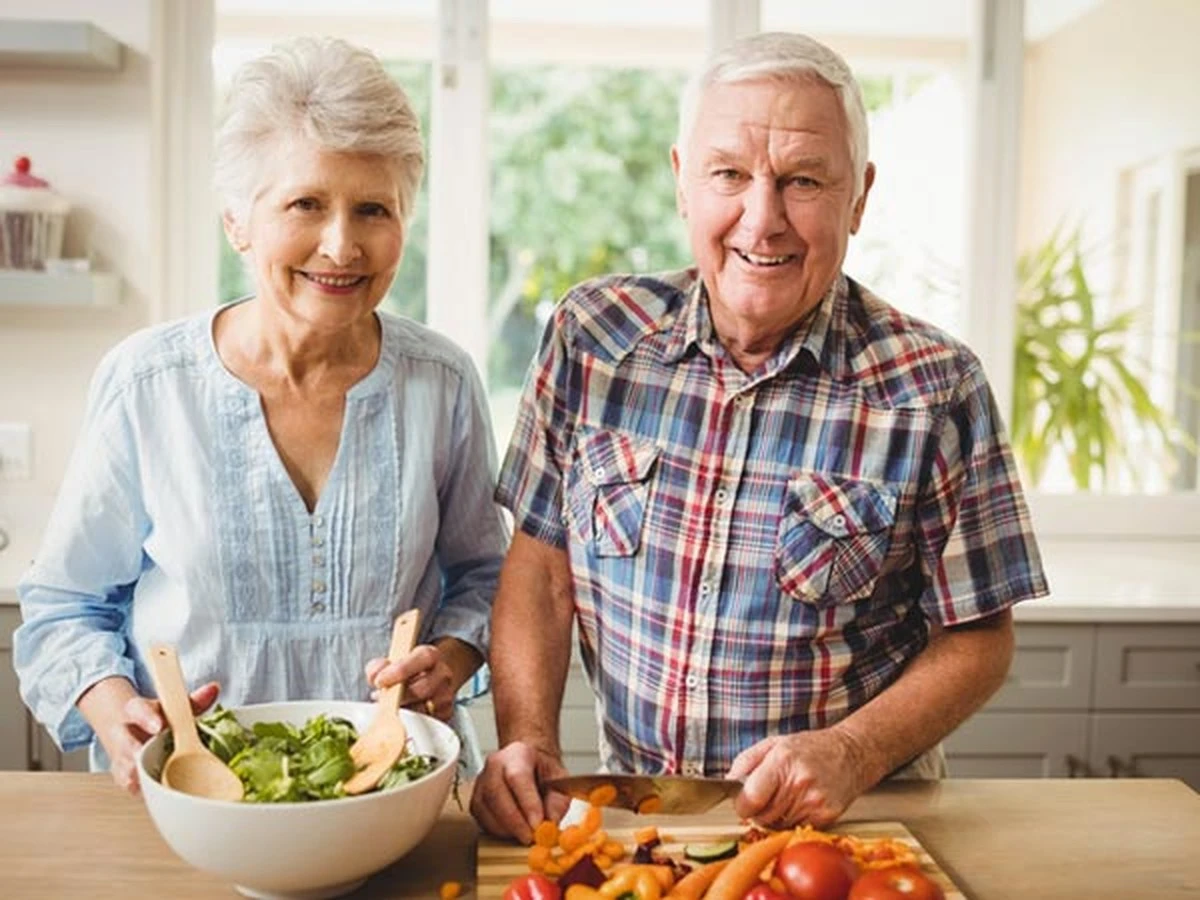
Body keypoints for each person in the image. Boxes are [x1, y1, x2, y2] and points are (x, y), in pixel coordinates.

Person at [470, 31, 1048, 842]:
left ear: (860, 196)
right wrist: (528, 740)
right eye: (729, 175)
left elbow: (981, 635)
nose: (763, 218)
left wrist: (851, 749)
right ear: (682, 182)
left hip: (850, 823)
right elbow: (539, 565)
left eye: (803, 180)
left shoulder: (935, 387)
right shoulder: (590, 337)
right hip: (641, 820)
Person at [14, 37, 508, 793]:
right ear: (237, 221)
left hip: (398, 794)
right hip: (192, 794)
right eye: (306, 203)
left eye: (373, 208)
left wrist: (450, 657)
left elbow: (484, 578)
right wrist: (115, 710)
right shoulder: (149, 384)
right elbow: (64, 607)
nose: (341, 245)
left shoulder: (440, 383)